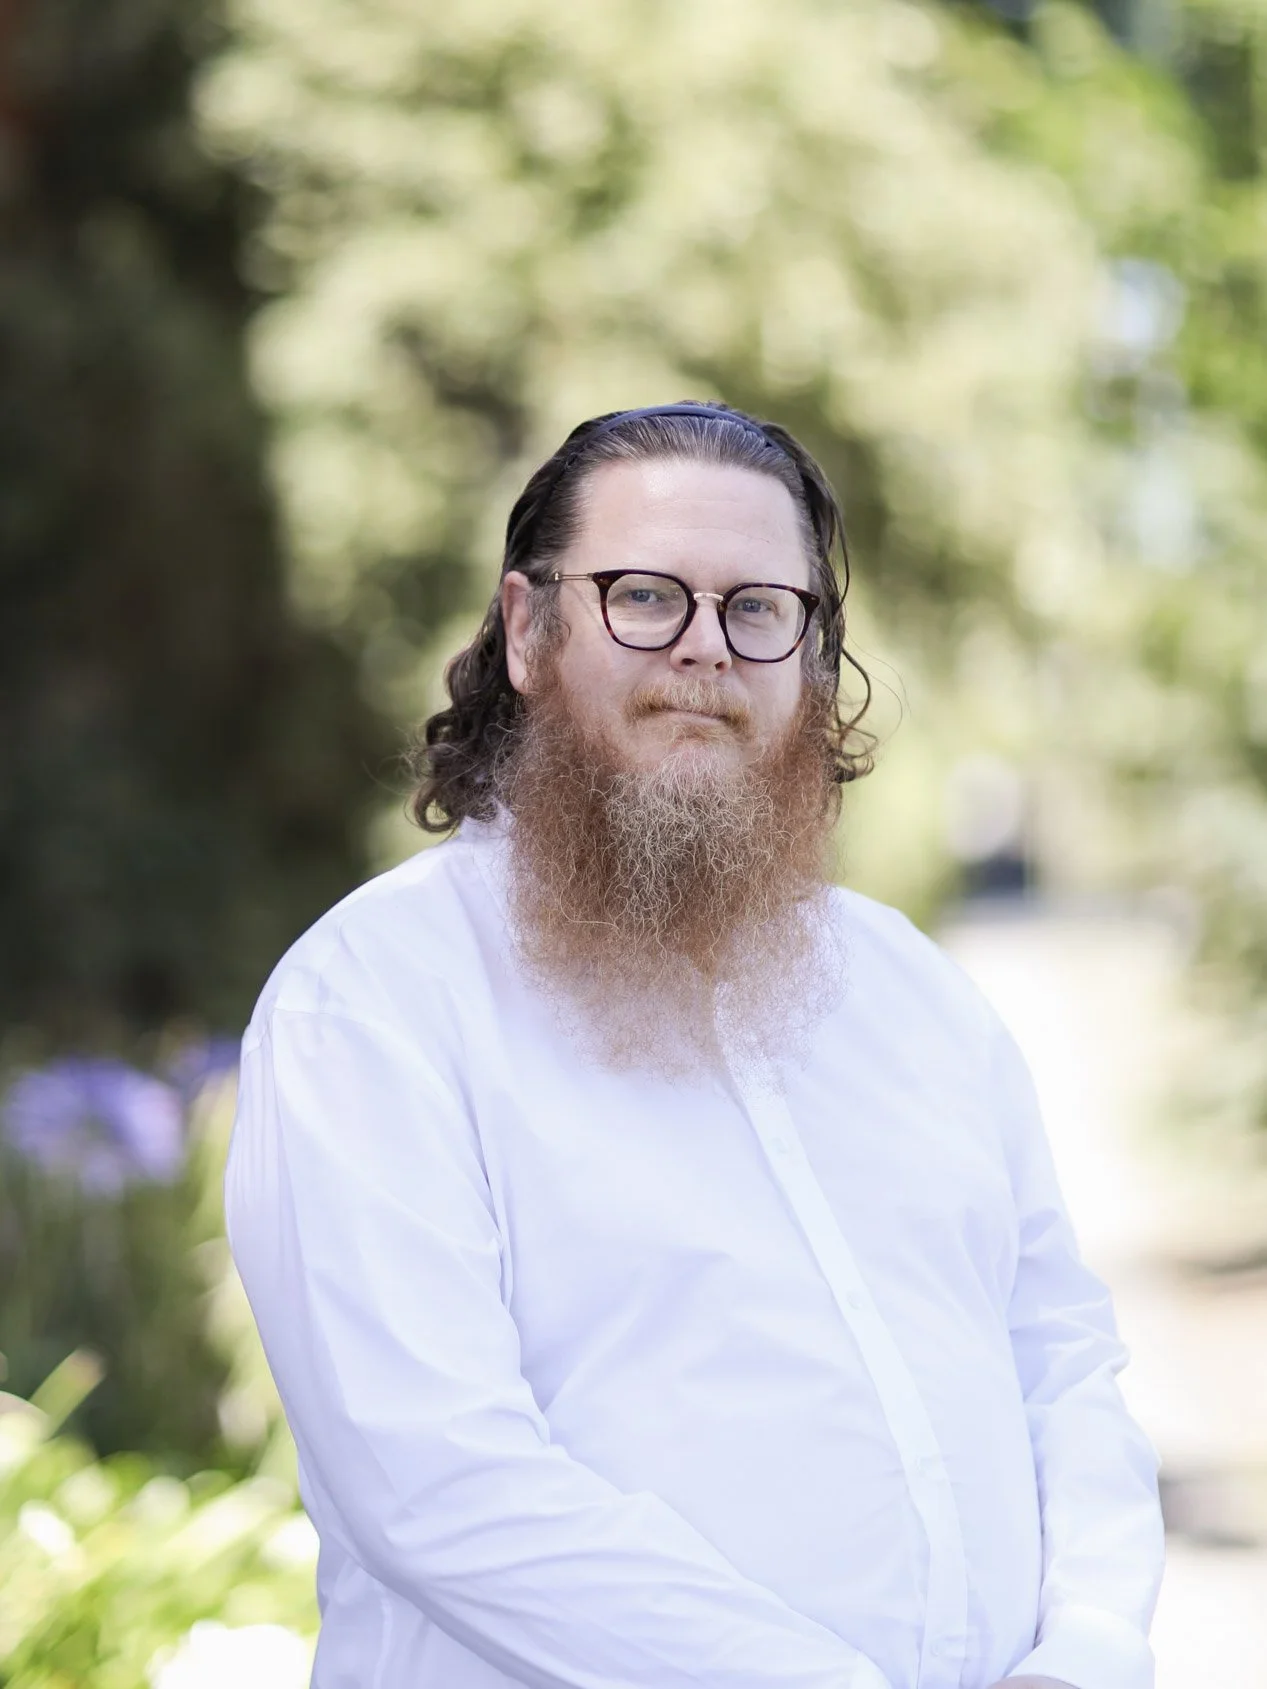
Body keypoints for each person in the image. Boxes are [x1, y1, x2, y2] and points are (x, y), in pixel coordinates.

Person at [225, 402, 1165, 1689]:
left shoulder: (910, 991)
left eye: (758, 609)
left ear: (810, 656)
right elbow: (435, 1480)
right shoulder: (375, 1001)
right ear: (526, 627)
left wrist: (1094, 1653)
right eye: (646, 597)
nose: (704, 652)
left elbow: (1060, 1363)